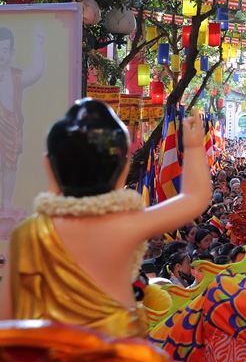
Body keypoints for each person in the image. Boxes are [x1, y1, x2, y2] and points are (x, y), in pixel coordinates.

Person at [0, 100, 210, 337]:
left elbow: (7, 315)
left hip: (52, 350)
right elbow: (195, 198)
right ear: (124, 170)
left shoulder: (29, 231)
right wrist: (193, 148)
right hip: (118, 350)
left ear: (48, 167)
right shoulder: (126, 224)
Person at [0, 24, 45, 213]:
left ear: (11, 53)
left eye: (4, 51)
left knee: (9, 167)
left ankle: (6, 202)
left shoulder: (16, 76)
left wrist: (38, 44)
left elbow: (36, 72)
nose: (1, 55)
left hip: (11, 127)